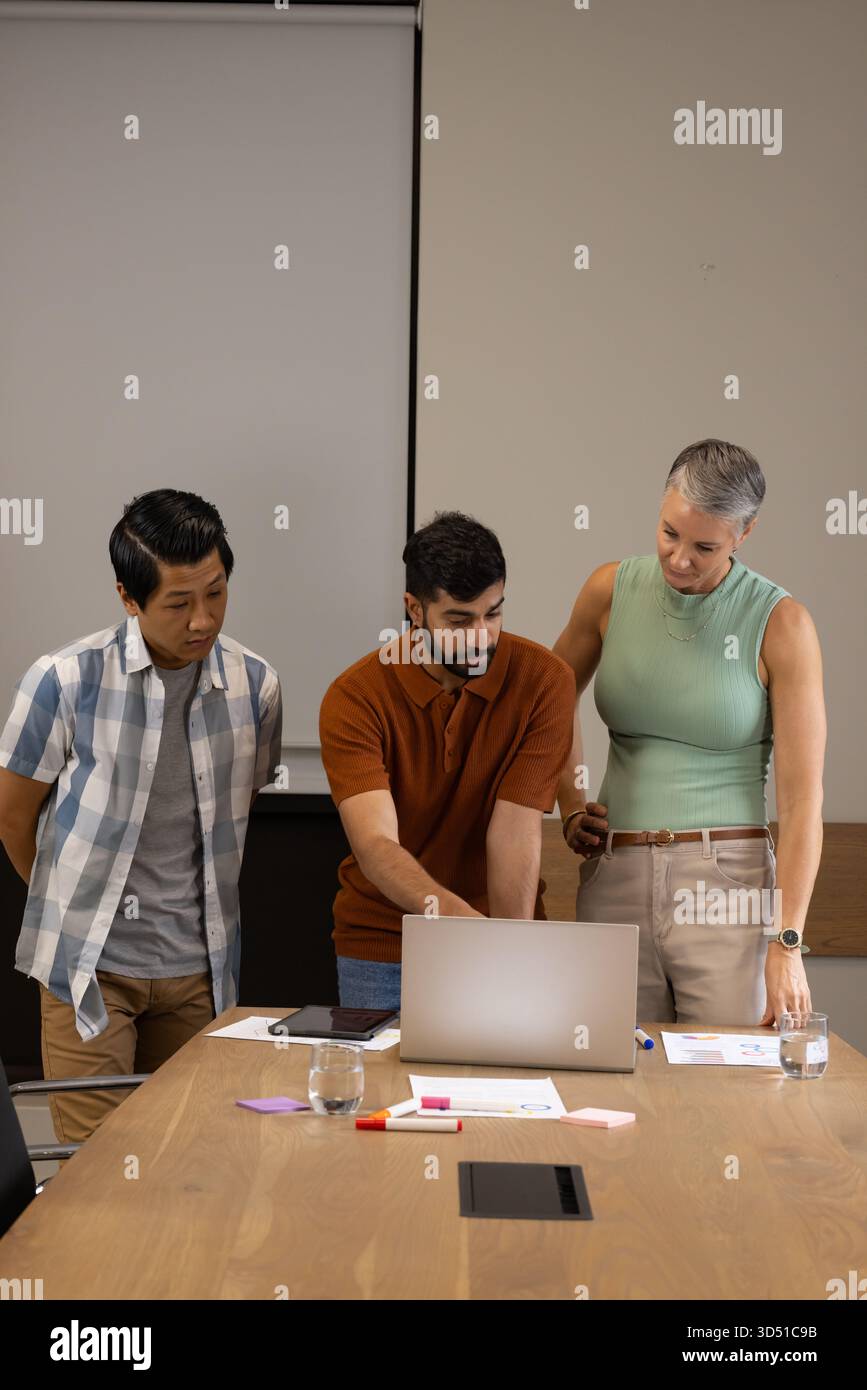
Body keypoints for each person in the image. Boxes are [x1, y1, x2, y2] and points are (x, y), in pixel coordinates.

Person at [0, 489, 282, 1147]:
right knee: (89, 1170)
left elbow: (238, 811)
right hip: (90, 969)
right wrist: (70, 909)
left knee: (191, 1158)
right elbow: (13, 819)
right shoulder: (65, 680)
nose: (202, 620)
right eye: (178, 603)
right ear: (129, 599)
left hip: (198, 969)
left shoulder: (256, 686)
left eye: (215, 593)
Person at [553, 439, 824, 1027]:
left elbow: (803, 802)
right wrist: (571, 803)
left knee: (730, 1090)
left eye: (704, 546)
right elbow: (547, 700)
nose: (679, 559)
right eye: (670, 533)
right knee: (609, 1073)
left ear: (743, 534)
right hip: (614, 872)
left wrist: (787, 941)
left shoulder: (782, 623)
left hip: (726, 884)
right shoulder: (610, 590)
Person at [319, 511, 575, 1009]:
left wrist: (508, 951)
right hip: (385, 943)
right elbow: (375, 845)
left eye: (494, 613)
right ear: (415, 610)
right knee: (382, 1089)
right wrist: (469, 933)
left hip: (502, 932)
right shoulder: (355, 698)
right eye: (460, 619)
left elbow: (514, 832)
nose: (482, 636)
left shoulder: (544, 680)